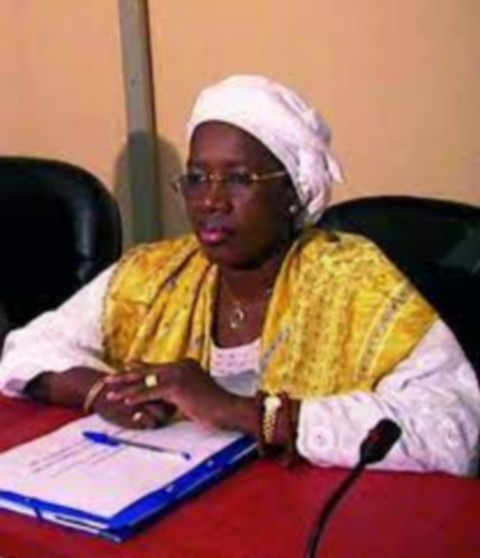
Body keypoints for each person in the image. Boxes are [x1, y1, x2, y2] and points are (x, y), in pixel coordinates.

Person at [0, 75, 478, 475]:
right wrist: (103, 391)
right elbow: (25, 350)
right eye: (196, 178)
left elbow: (455, 428)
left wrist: (240, 411)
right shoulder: (154, 273)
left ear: (292, 191)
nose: (210, 200)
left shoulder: (354, 281)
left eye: (238, 178)